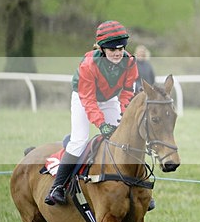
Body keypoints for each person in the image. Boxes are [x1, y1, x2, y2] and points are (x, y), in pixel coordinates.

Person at [45, 20, 139, 206]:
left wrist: (123, 112)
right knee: (80, 140)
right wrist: (101, 124)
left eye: (121, 49)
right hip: (83, 98)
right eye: (113, 50)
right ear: (102, 49)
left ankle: (135, 187)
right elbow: (88, 100)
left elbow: (128, 91)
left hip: (109, 99)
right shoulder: (89, 64)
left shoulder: (130, 62)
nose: (118, 53)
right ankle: (58, 187)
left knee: (122, 138)